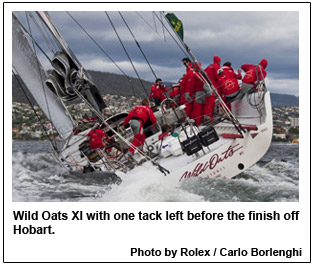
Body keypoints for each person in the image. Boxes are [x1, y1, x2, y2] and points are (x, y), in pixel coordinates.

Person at [202, 56, 222, 121]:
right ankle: (209, 118)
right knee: (211, 102)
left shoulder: (208, 67)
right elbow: (218, 77)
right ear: (218, 61)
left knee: (207, 102)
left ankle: (206, 117)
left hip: (206, 86)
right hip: (212, 86)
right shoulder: (216, 67)